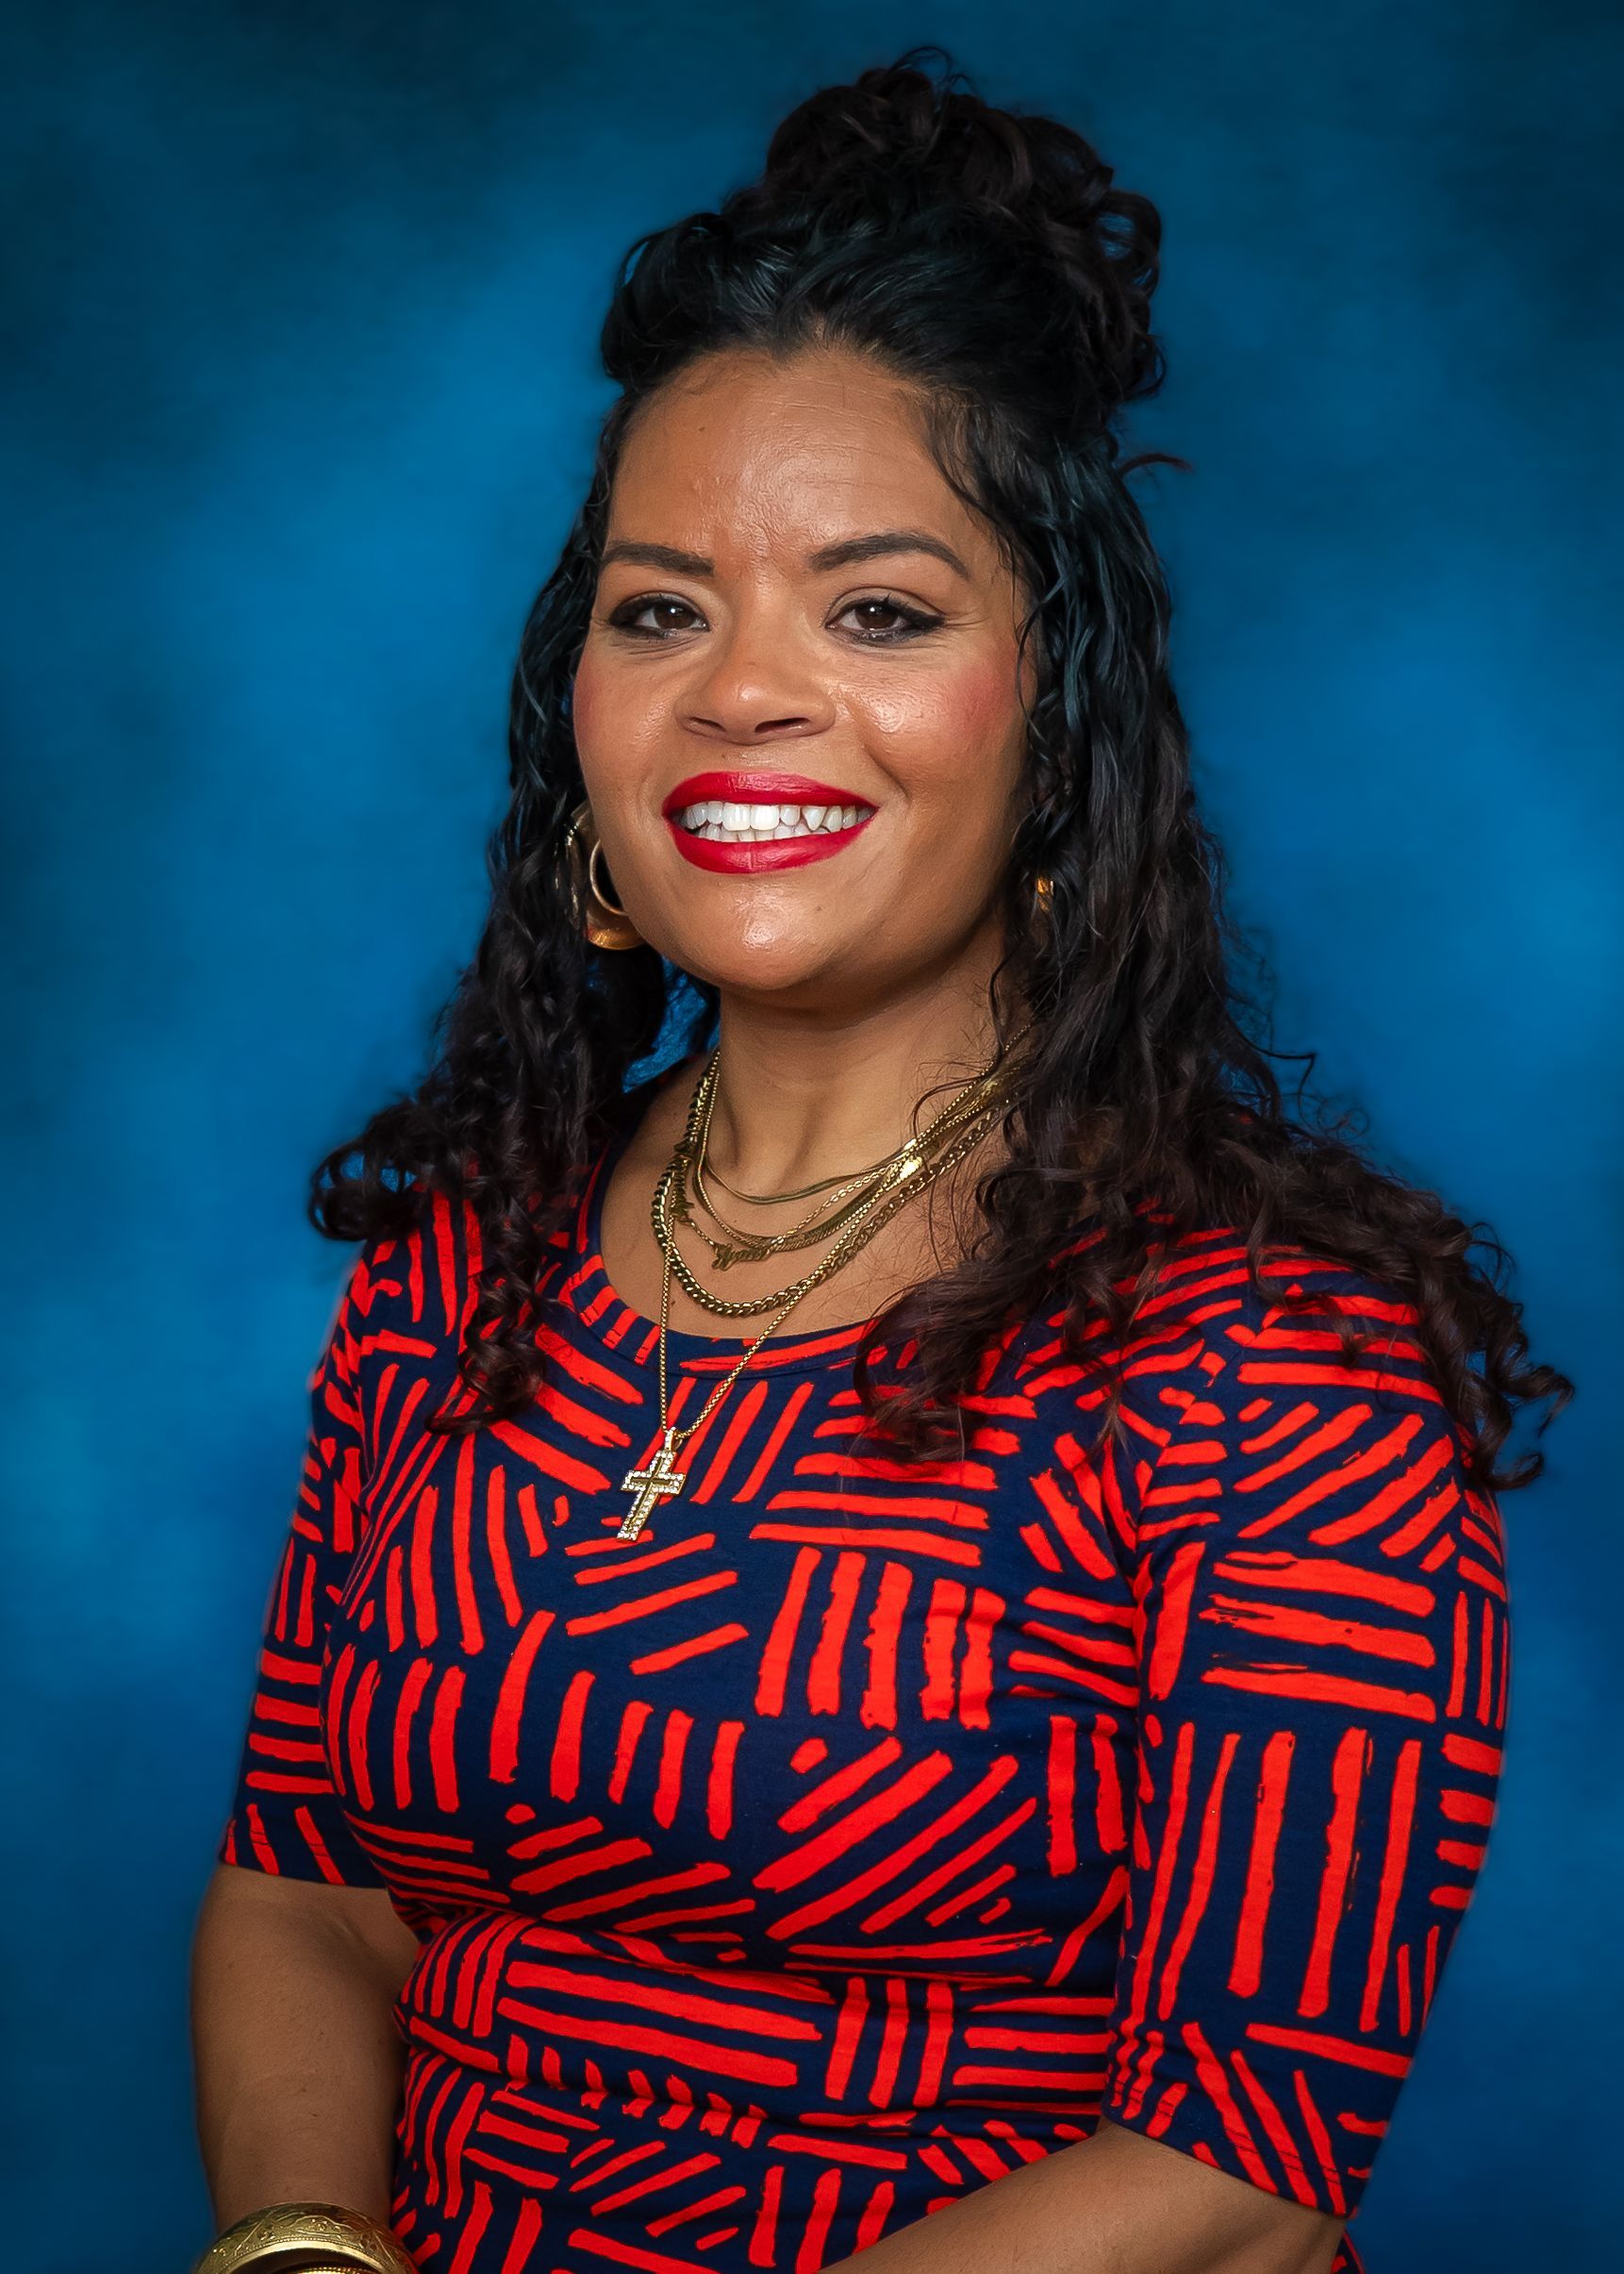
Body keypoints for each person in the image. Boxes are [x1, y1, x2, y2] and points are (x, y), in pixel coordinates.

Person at [188, 47, 1569, 2274]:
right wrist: (298, 2247)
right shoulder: (458, 1263)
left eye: (880, 610)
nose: (743, 692)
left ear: (1063, 719)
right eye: (660, 610)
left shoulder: (1272, 1371)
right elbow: (306, 1890)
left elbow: (1229, 2173)